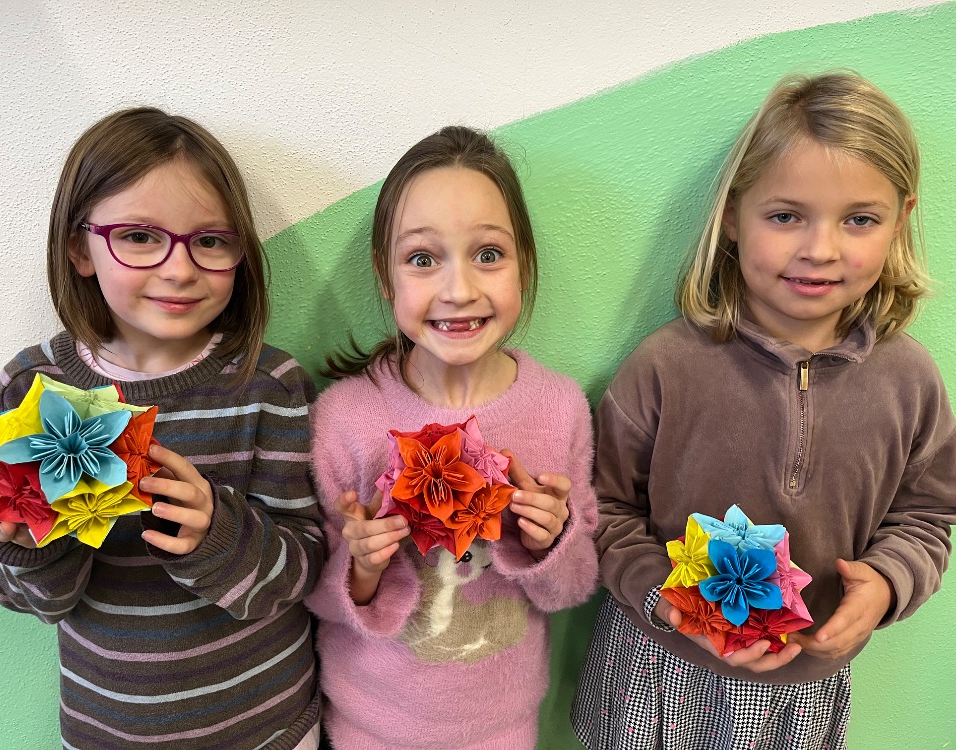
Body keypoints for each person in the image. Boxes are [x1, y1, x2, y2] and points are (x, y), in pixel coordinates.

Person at [571, 71, 956, 750]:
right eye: (785, 216)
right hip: (660, 668)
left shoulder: (912, 382)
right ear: (732, 215)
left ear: (900, 220)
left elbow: (927, 516)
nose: (820, 249)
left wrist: (888, 584)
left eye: (859, 219)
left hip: (805, 687)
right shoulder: (665, 366)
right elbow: (604, 509)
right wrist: (669, 601)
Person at [0, 108, 326, 750]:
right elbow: (25, 600)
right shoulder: (32, 390)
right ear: (79, 248)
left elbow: (305, 568)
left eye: (210, 241)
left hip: (268, 726)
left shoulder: (268, 386)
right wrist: (31, 546)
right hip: (106, 729)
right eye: (138, 236)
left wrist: (219, 535)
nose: (180, 269)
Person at [305, 125, 598, 749]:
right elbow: (321, 599)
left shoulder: (559, 408)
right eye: (422, 259)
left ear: (524, 264)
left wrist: (550, 540)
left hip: (502, 726)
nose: (460, 290)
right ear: (386, 277)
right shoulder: (345, 418)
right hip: (369, 725)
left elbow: (572, 588)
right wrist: (363, 567)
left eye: (488, 254)